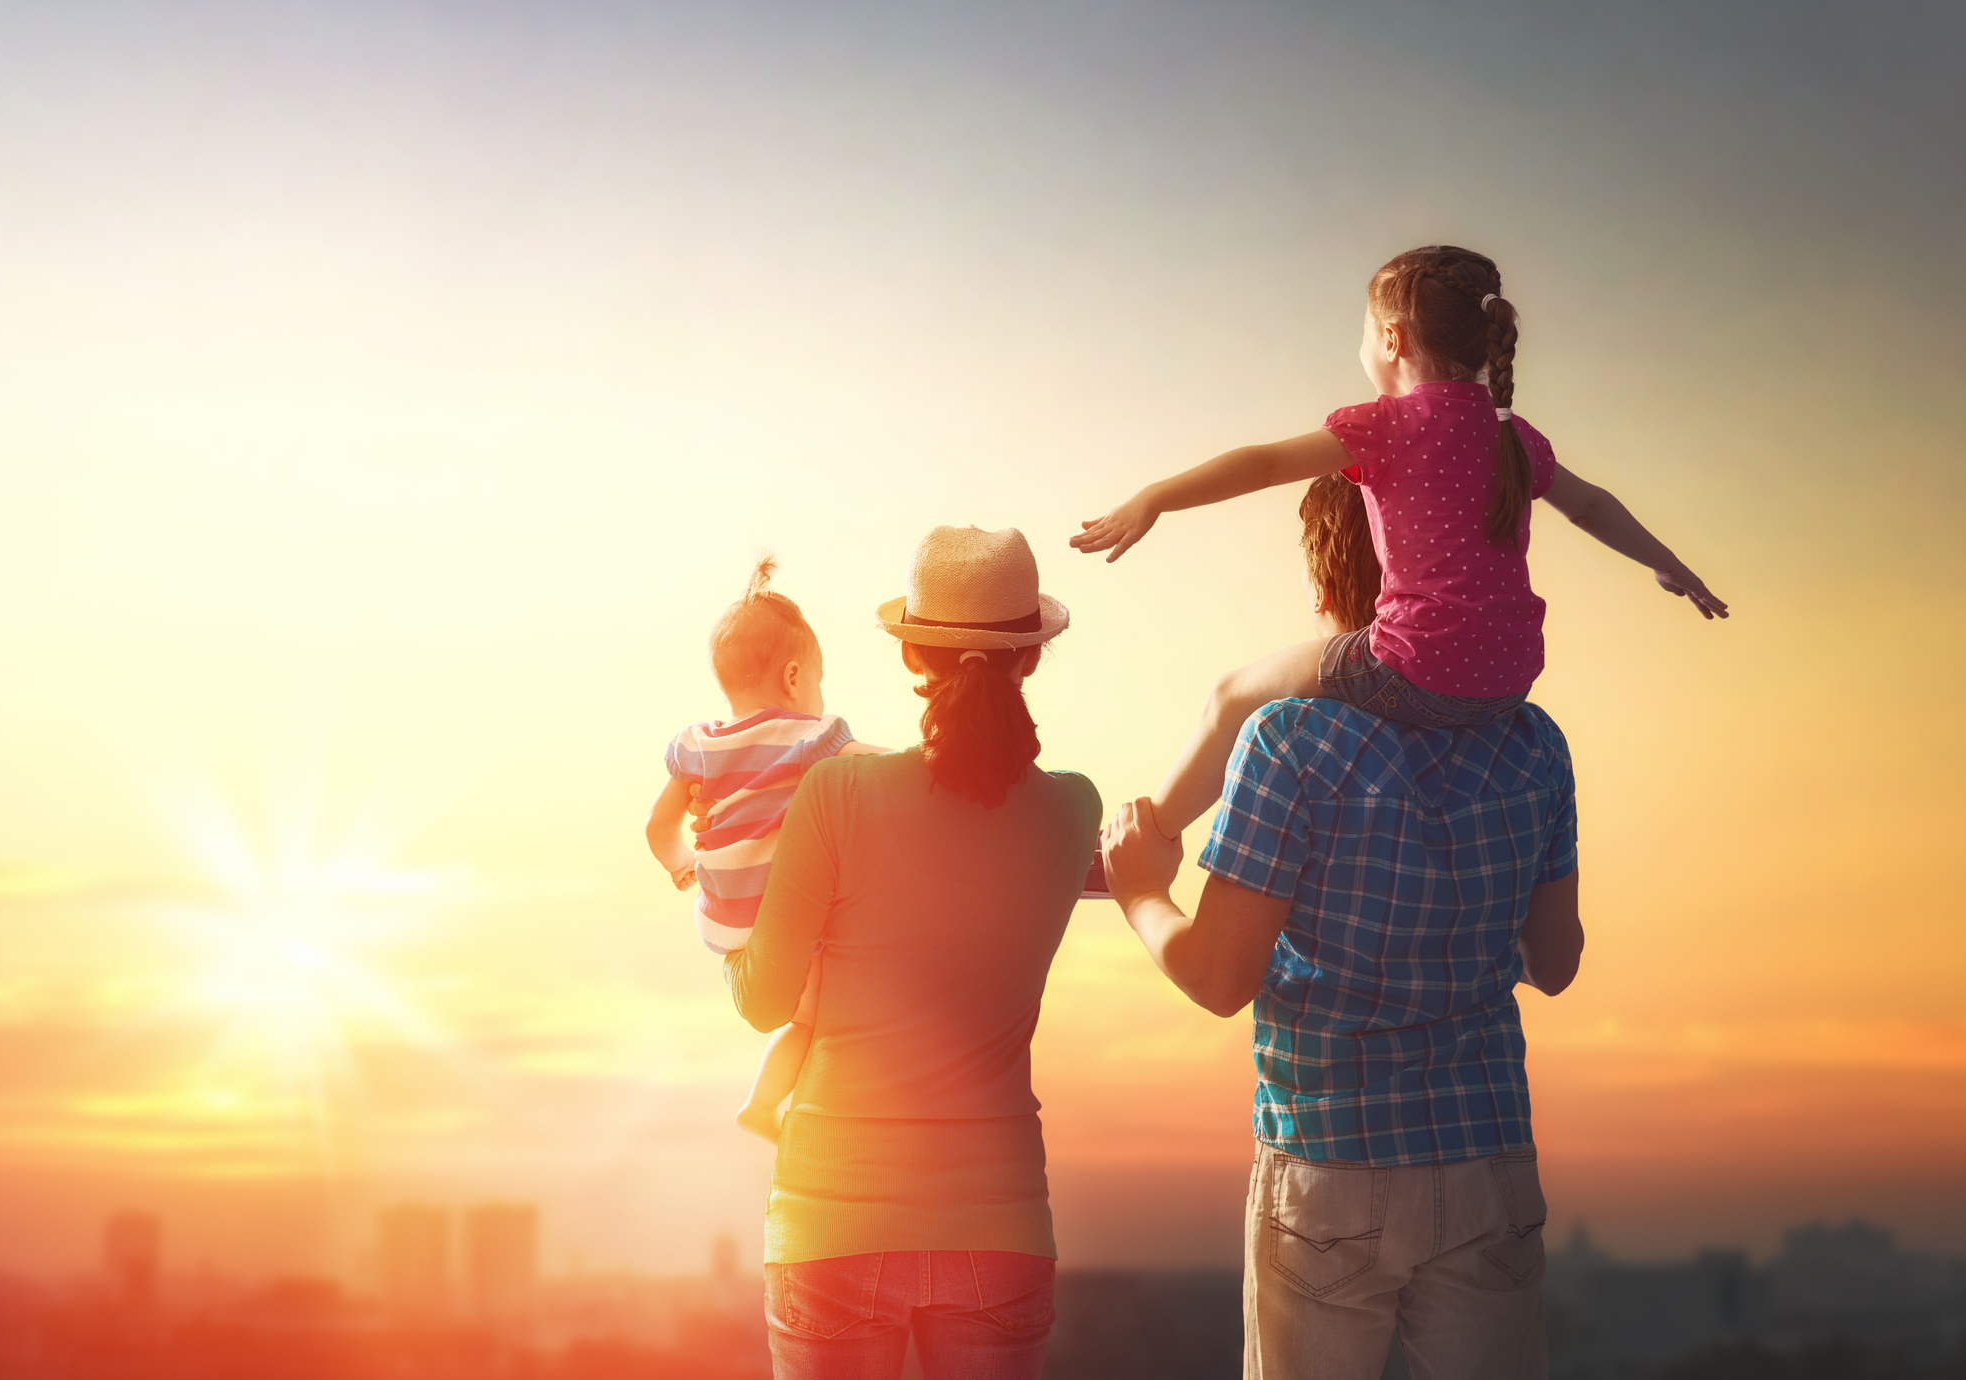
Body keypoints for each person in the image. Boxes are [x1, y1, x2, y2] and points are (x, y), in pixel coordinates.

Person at [1100, 474, 1585, 1377]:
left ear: (1324, 593)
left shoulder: (1287, 740)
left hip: (1329, 1167)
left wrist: (1138, 893)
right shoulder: (1534, 742)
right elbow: (1555, 963)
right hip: (1489, 1159)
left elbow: (1216, 978)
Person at [1071, 244, 1726, 840]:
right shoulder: (1512, 435)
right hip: (1509, 680)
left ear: (1391, 338)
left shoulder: (1382, 426)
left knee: (1233, 696)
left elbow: (1264, 464)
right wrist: (1668, 566)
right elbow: (1590, 506)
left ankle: (1144, 837)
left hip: (1413, 667)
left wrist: (1154, 496)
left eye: (1362, 331)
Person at [725, 526, 1099, 1380]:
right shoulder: (1074, 810)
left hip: (830, 1227)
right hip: (999, 1227)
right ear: (1031, 658)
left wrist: (724, 906)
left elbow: (763, 1004)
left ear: (910, 657)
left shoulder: (837, 795)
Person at [645, 557, 889, 1142]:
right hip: (786, 926)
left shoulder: (698, 747)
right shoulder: (808, 738)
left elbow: (657, 827)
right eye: (820, 680)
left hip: (728, 931)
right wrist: (932, 760)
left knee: (803, 1015)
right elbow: (879, 768)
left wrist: (682, 865)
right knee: (817, 1020)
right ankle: (764, 1105)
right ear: (795, 676)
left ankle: (764, 1105)